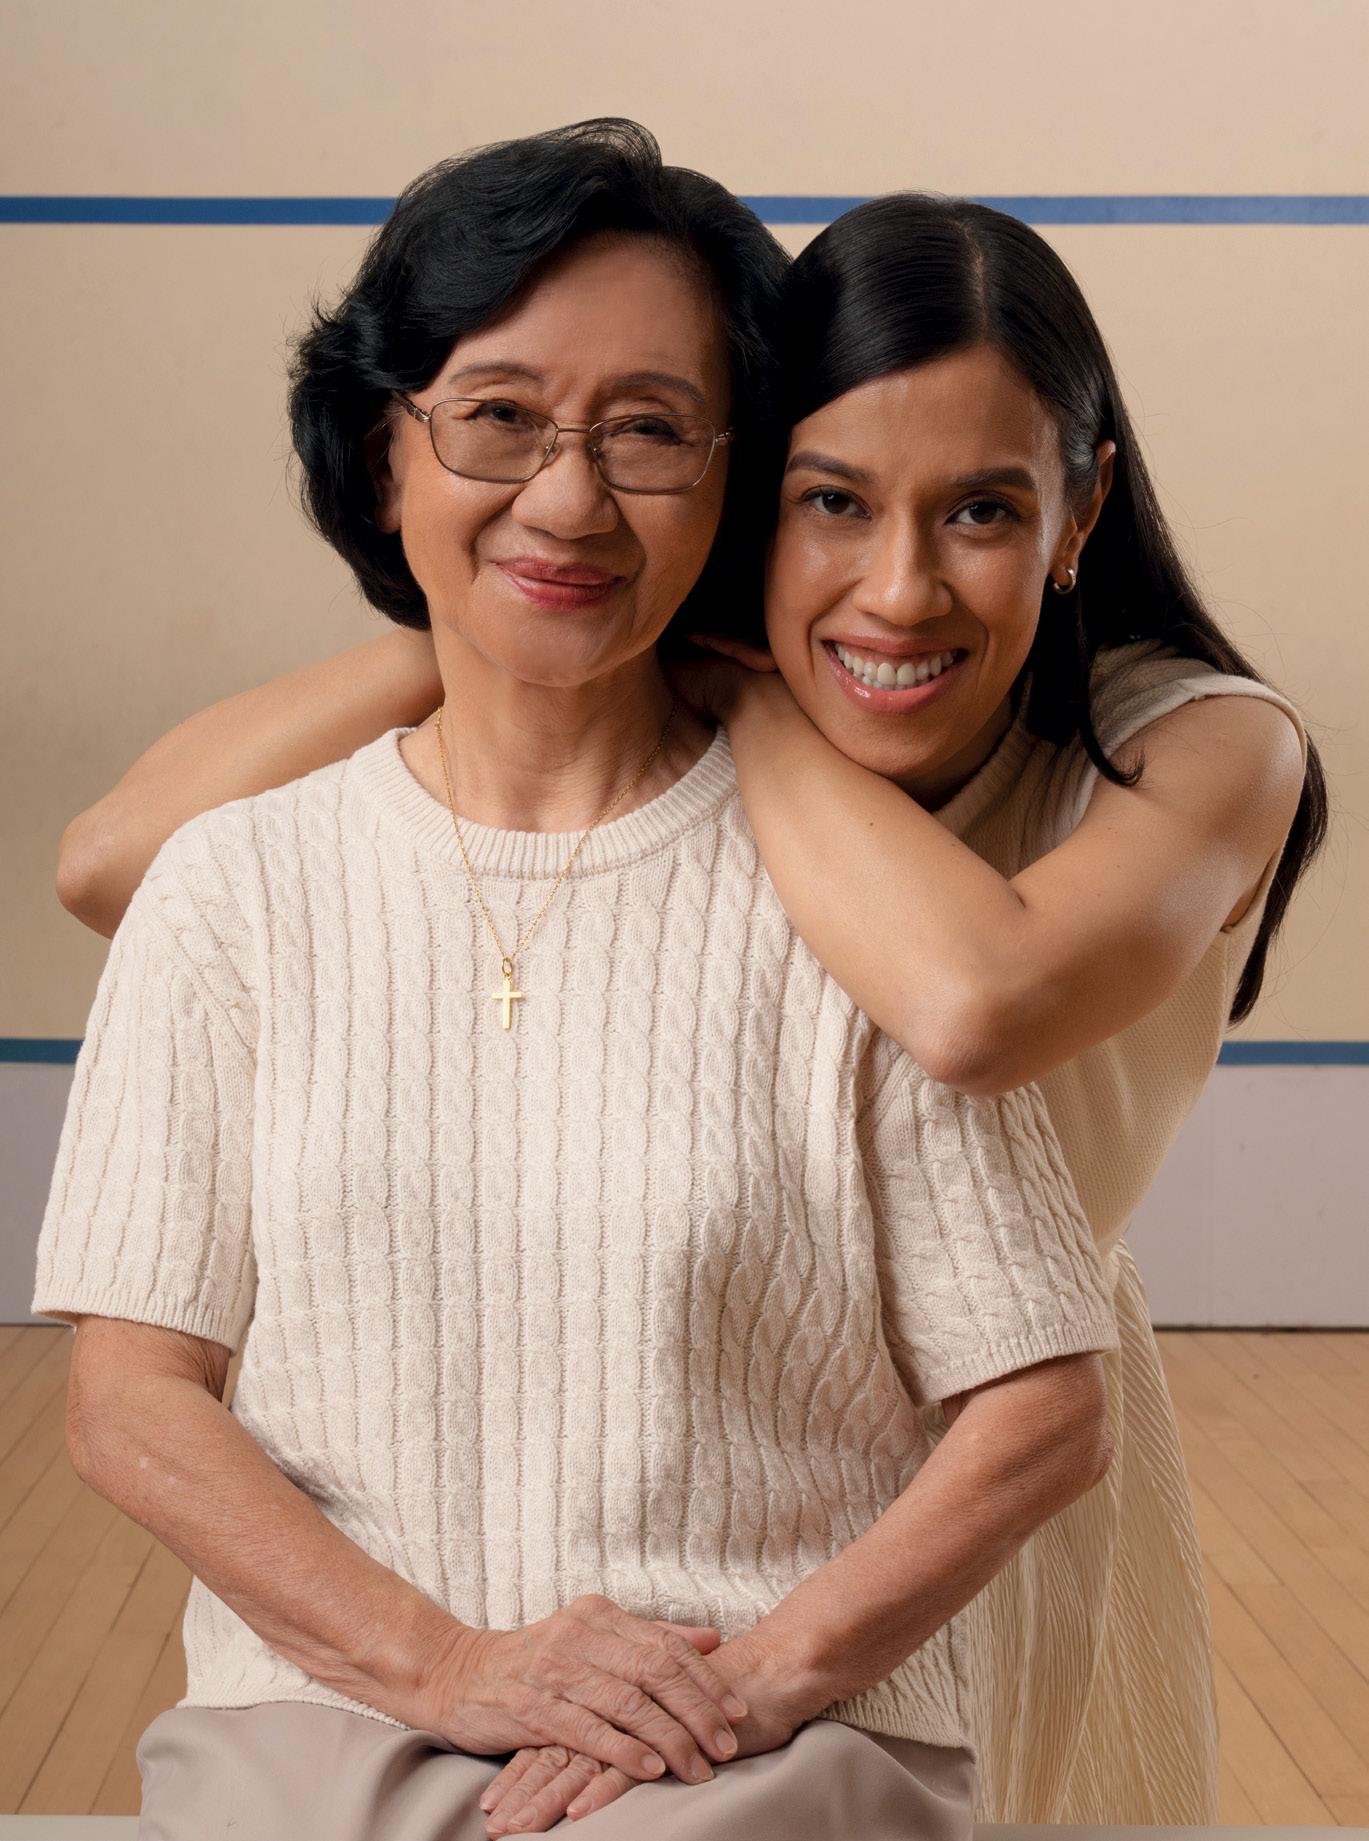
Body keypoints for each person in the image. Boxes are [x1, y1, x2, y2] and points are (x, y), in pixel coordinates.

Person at [34, 122, 1120, 1841]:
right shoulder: (234, 884)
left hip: (764, 1751)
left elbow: (1045, 1413)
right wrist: (447, 1664)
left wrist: (751, 1680)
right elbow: (128, 1401)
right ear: (383, 452)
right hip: (314, 1732)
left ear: (738, 471)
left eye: (648, 431)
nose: (566, 496)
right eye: (497, 417)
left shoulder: (847, 900)